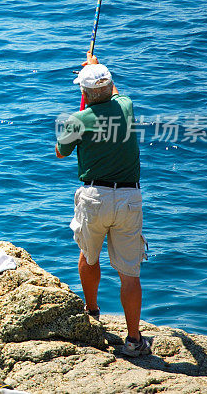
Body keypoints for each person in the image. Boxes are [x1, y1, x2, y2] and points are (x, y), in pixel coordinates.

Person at [55, 52, 152, 357]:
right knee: (130, 274)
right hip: (128, 199)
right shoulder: (126, 107)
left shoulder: (77, 120)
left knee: (89, 255)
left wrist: (80, 115)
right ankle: (134, 340)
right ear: (109, 86)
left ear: (83, 93)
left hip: (94, 198)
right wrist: (96, 68)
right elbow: (115, 93)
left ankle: (92, 309)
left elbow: (61, 153)